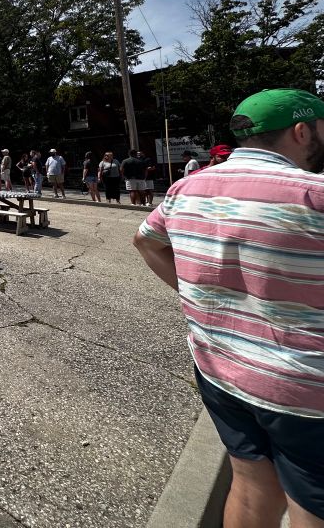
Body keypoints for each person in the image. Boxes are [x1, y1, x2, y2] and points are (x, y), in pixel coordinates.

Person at [134, 88, 324, 528]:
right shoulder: (313, 193)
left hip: (219, 365)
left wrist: (197, 297)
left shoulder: (187, 188)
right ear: (301, 131)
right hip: (304, 385)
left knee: (252, 482)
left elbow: (146, 240)